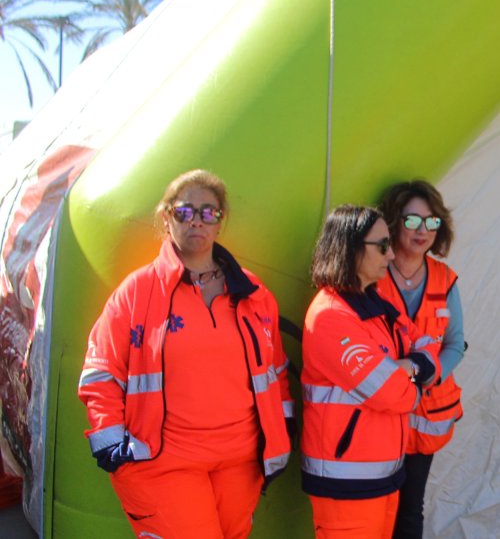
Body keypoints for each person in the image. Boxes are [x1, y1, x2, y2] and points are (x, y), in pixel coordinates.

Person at [78, 169, 292, 539]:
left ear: (220, 222)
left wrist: (282, 425)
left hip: (241, 461)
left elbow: (276, 370)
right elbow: (100, 371)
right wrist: (110, 440)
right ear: (167, 217)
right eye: (185, 212)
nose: (198, 221)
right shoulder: (138, 291)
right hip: (165, 462)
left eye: (210, 213)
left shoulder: (254, 292)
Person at [301, 204, 439, 539]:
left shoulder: (375, 303)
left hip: (383, 474)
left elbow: (427, 345)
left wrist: (408, 367)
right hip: (347, 482)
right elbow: (395, 394)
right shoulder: (331, 316)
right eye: (381, 246)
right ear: (350, 248)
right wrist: (412, 376)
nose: (391, 255)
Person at [375, 181, 467, 539]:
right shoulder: (372, 273)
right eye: (412, 220)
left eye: (431, 222)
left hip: (426, 418)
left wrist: (430, 371)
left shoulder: (446, 279)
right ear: (394, 222)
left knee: (410, 508)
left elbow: (456, 343)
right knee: (377, 507)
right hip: (379, 415)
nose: (423, 231)